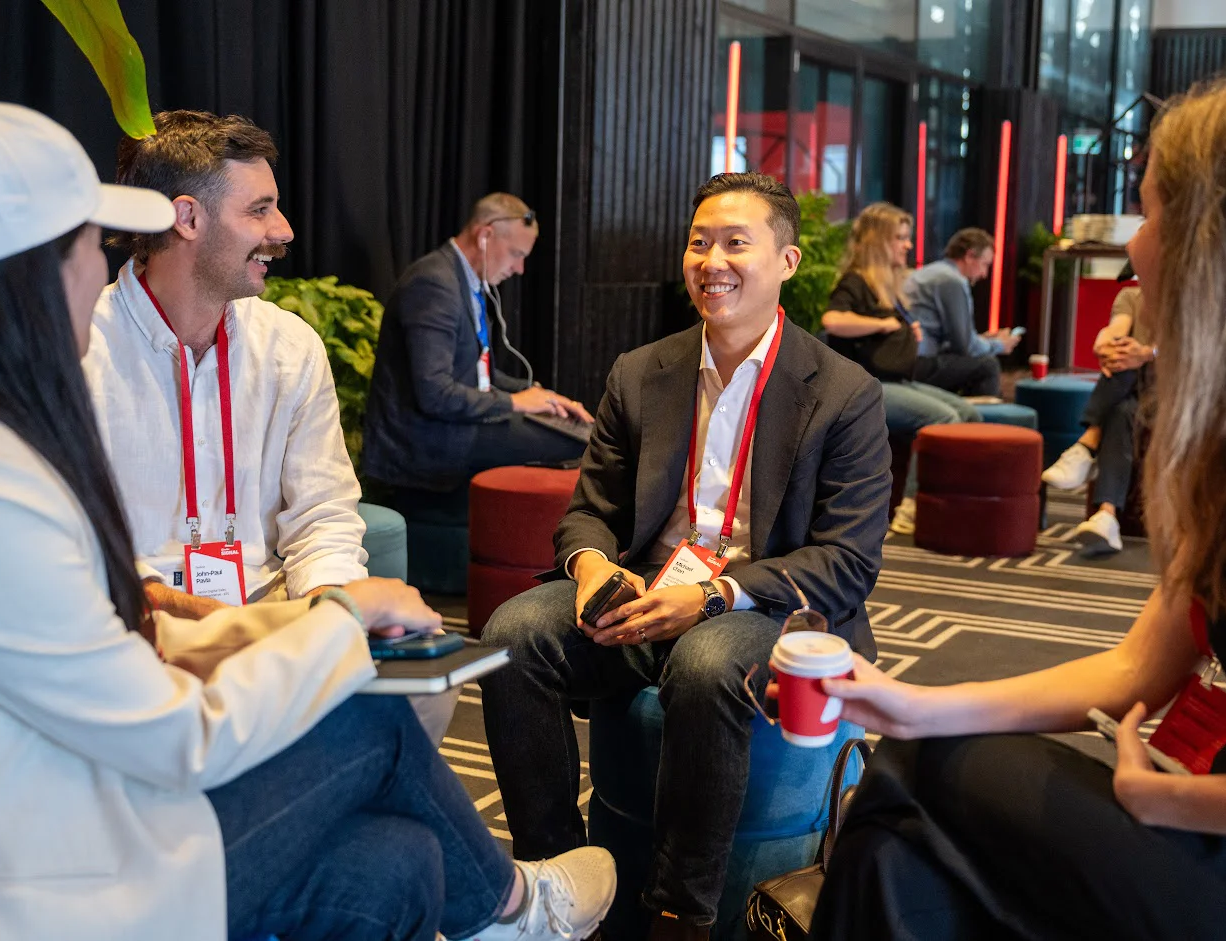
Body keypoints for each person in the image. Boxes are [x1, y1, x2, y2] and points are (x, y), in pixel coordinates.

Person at [0, 100, 615, 941]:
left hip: (77, 802)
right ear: (22, 273)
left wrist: (300, 615)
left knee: (404, 857)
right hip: (35, 876)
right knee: (371, 716)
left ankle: (499, 910)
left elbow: (306, 526)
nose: (101, 267)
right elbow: (173, 731)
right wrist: (335, 627)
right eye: (87, 243)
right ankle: (515, 908)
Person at [806, 63, 1226, 939]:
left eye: (1154, 211)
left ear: (1220, 239)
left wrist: (1164, 800)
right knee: (896, 835)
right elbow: (1135, 670)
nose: (1135, 244)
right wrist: (910, 698)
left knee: (911, 785)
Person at [479, 172, 890, 941]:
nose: (712, 261)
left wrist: (714, 595)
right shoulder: (642, 371)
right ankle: (557, 884)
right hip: (640, 590)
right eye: (700, 242)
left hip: (765, 606)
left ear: (788, 262)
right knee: (511, 637)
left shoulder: (843, 392)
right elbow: (590, 513)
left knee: (705, 664)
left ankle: (679, 912)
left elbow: (846, 561)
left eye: (737, 243)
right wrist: (593, 567)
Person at [84, 110, 366, 618]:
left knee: (412, 693)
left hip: (266, 618)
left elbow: (324, 516)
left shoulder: (290, 347)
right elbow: (66, 550)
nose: (283, 231)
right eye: (259, 210)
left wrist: (332, 606)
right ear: (187, 217)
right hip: (127, 623)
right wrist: (210, 624)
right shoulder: (80, 351)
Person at [363, 194, 594, 516]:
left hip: (452, 426)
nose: (519, 268)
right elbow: (435, 395)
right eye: (515, 254)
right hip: (427, 442)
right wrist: (515, 402)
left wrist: (538, 395)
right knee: (582, 443)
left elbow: (478, 374)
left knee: (581, 430)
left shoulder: (463, 281)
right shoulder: (434, 284)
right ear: (485, 235)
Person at [819, 201, 979, 537]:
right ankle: (910, 507)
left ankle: (956, 502)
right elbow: (832, 320)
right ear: (879, 242)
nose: (908, 245)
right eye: (901, 238)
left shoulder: (889, 287)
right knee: (945, 418)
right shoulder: (855, 281)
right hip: (864, 387)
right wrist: (882, 326)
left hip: (895, 379)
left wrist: (906, 332)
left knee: (968, 413)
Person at [1041, 284, 1155, 555]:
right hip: (1134, 397)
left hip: (1181, 396)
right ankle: (1106, 515)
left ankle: (1086, 446)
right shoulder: (1132, 297)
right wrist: (1106, 344)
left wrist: (1148, 354)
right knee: (1122, 404)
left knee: (1127, 371)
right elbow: (1117, 327)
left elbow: (1196, 351)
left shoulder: (1194, 299)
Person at [904, 227, 1021, 398]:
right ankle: (982, 423)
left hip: (910, 358)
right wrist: (1000, 346)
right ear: (969, 256)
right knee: (987, 365)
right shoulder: (951, 281)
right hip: (917, 363)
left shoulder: (935, 272)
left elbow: (955, 339)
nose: (984, 274)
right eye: (985, 264)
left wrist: (984, 340)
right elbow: (964, 346)